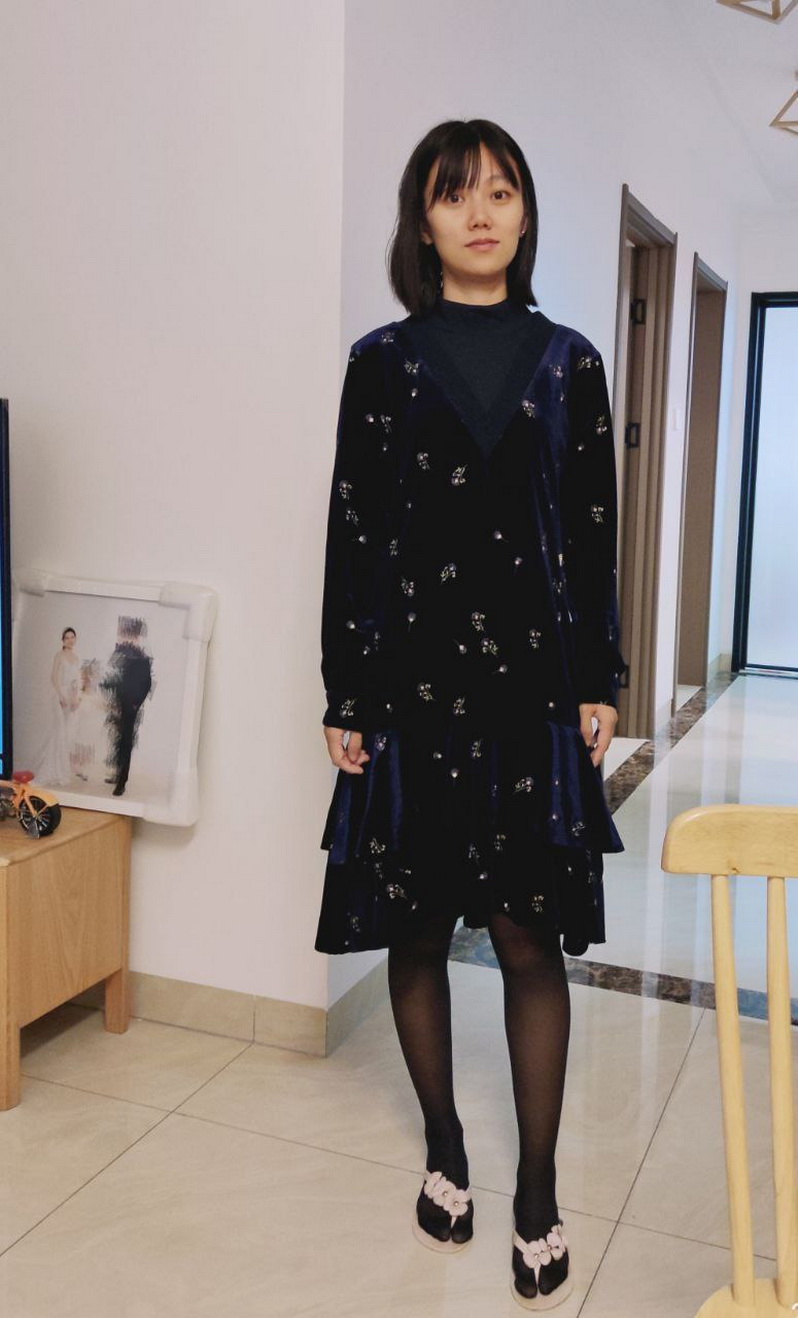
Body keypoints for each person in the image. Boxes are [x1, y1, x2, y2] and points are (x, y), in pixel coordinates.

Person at [316, 119, 625, 1310]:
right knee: (417, 928)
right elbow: (352, 530)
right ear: (425, 220)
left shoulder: (572, 364)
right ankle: (445, 1147)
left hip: (532, 695)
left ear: (525, 213)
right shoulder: (381, 363)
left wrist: (599, 677)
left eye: (501, 191)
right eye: (456, 195)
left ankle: (536, 1188)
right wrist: (346, 688)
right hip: (410, 695)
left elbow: (591, 533)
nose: (481, 212)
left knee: (526, 938)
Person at [101, 616, 153, 797]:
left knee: (126, 742)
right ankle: (117, 775)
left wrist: (135, 703)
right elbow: (117, 680)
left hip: (131, 707)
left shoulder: (143, 659)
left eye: (130, 635)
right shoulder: (123, 656)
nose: (127, 638)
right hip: (119, 704)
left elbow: (146, 684)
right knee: (117, 740)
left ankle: (122, 782)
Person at [35, 626, 82, 786]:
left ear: (75, 639)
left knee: (67, 735)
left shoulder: (76, 657)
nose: (70, 640)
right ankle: (53, 771)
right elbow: (54, 677)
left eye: (72, 637)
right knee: (60, 733)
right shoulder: (59, 655)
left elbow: (76, 681)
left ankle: (61, 770)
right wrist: (62, 696)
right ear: (63, 640)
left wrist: (76, 698)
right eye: (67, 638)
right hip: (60, 696)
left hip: (71, 696)